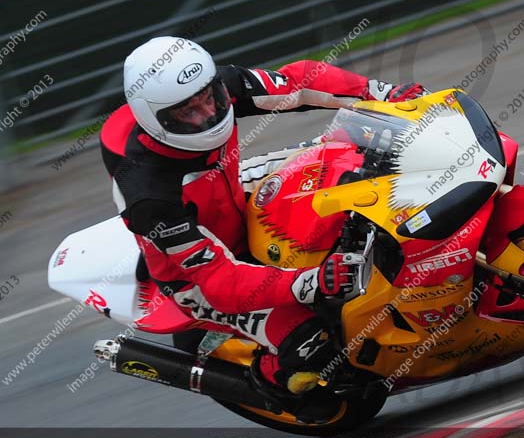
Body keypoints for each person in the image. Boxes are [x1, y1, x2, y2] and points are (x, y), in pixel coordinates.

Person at [100, 36, 427, 399]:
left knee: (355, 156)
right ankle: (273, 382)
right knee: (315, 347)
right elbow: (218, 280)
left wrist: (383, 93)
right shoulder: (147, 194)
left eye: (209, 99)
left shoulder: (210, 89)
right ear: (156, 119)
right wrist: (313, 281)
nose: (208, 115)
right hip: (196, 277)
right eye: (188, 113)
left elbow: (298, 82)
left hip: (232, 194)